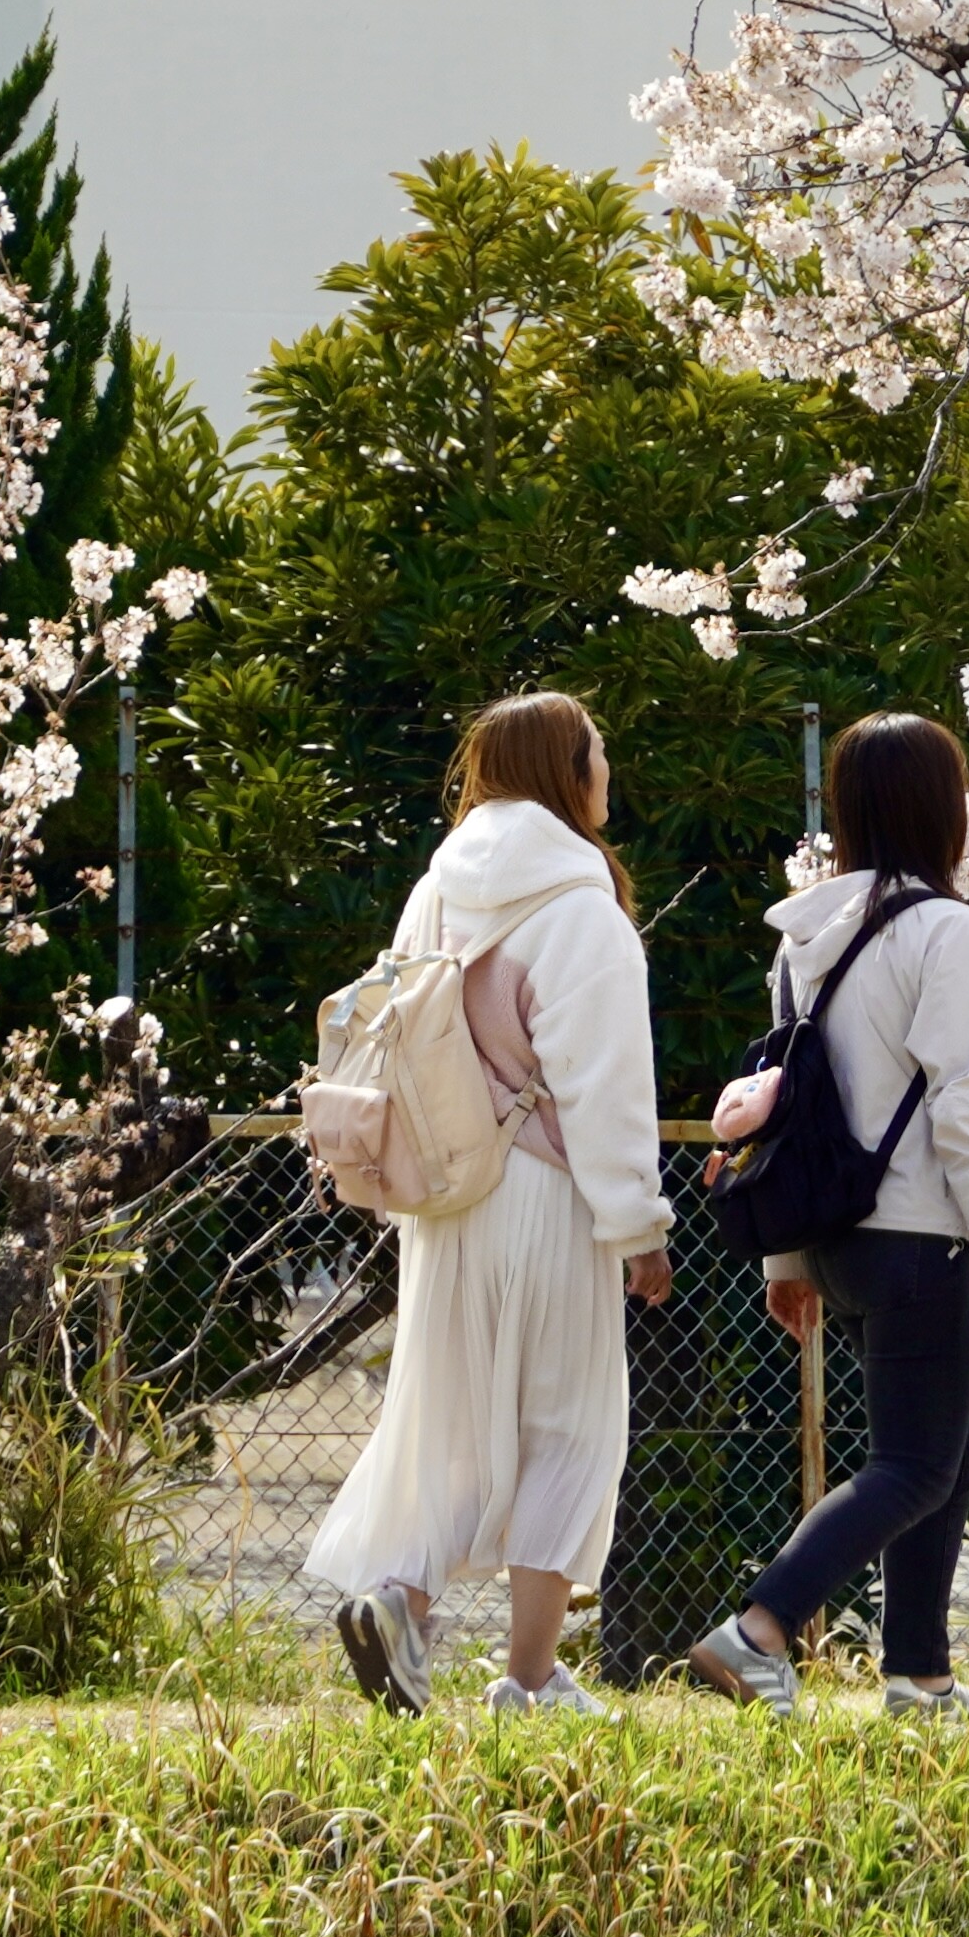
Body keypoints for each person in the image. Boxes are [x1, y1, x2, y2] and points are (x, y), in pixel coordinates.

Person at [682, 711, 969, 1718]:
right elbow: (965, 1097)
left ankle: (920, 1673)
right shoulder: (942, 930)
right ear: (941, 811)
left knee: (951, 1444)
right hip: (917, 1236)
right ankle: (758, 1629)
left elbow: (786, 1107)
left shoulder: (804, 938)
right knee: (912, 1462)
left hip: (838, 1238)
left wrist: (787, 1262)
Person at [308, 689, 671, 1716]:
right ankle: (529, 1675)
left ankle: (398, 1604)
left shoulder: (434, 890)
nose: (606, 771)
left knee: (453, 1424)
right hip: (547, 1197)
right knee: (566, 1422)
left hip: (444, 1192)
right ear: (567, 770)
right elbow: (602, 1083)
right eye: (597, 752)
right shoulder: (578, 904)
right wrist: (637, 1225)